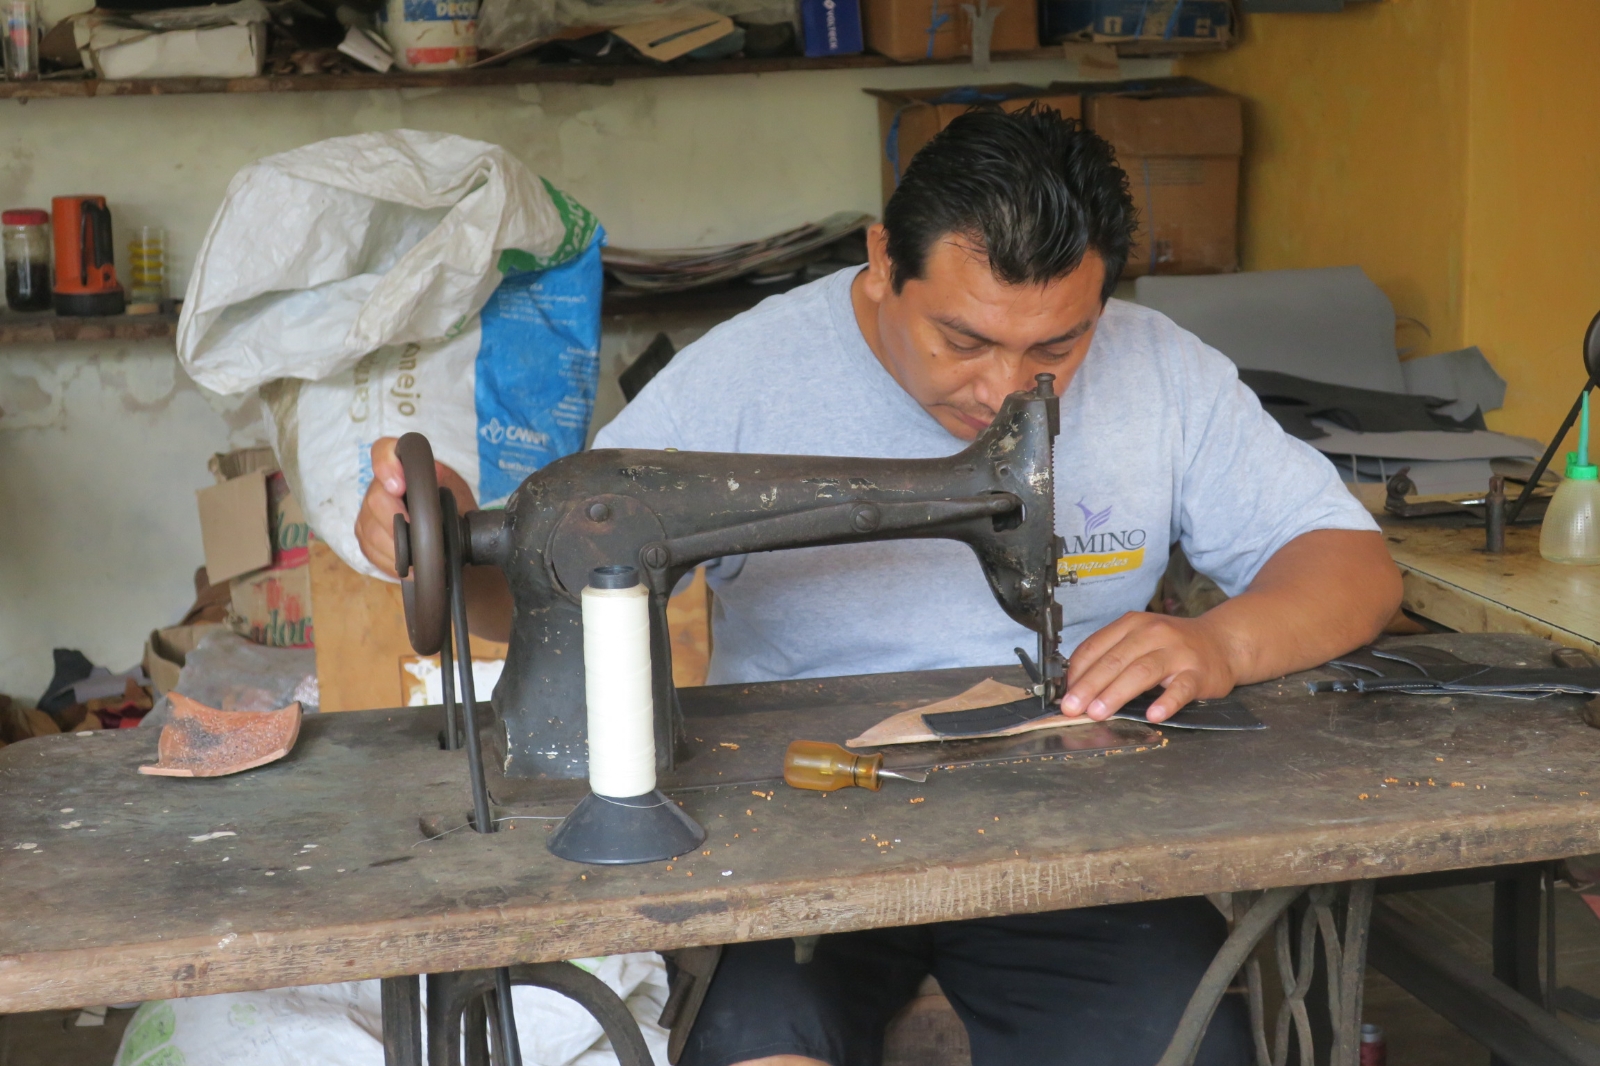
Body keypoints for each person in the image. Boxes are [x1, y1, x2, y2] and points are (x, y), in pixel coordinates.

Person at [355, 105, 1402, 1066]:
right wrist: (443, 540)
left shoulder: (1162, 370)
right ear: (879, 263)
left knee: (1193, 1043)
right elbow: (557, 574)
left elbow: (1348, 562)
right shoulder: (746, 376)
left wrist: (1223, 640)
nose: (1006, 391)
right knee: (759, 1050)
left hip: (1075, 827)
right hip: (786, 825)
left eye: (1057, 345)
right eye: (964, 339)